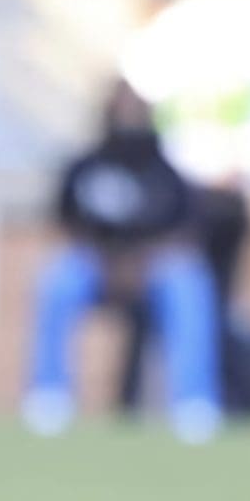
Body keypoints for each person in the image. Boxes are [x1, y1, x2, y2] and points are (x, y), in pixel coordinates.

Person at [23, 78, 221, 443]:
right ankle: (49, 395)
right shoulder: (86, 166)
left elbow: (185, 231)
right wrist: (108, 262)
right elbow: (65, 223)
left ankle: (194, 404)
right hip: (96, 265)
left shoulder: (165, 171)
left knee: (188, 284)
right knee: (59, 278)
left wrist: (139, 262)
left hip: (153, 269)